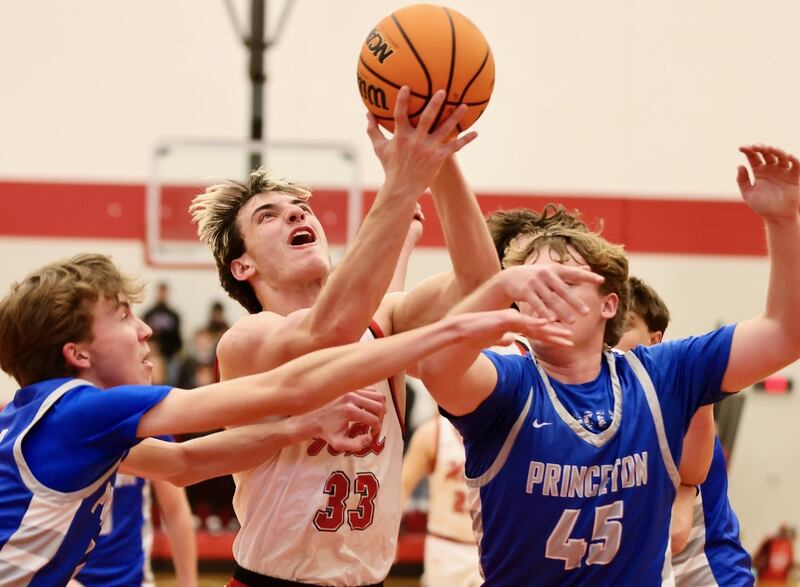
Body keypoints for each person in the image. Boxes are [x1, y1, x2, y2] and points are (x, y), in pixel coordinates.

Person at [190, 87, 595, 586]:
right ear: (243, 265)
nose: (296, 213)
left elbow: (481, 288)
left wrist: (440, 159)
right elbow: (328, 330)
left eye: (300, 206)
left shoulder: (383, 324)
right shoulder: (249, 340)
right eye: (267, 215)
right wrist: (401, 183)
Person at [0, 253, 546, 584]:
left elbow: (185, 461)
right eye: (124, 318)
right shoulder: (86, 410)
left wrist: (299, 428)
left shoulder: (40, 417)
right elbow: (287, 385)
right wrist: (447, 334)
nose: (145, 331)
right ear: (77, 354)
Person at [417, 144, 800, 585]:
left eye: (567, 279)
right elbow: (437, 368)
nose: (548, 292)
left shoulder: (660, 376)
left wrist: (783, 221)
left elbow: (785, 334)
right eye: (533, 283)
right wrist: (498, 285)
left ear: (609, 303)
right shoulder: (510, 385)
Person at [617, 276, 753, 586]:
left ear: (655, 340)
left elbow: (675, 533)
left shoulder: (678, 402)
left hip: (707, 575)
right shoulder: (612, 410)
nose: (609, 341)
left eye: (624, 327)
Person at [71, 459, 198, 587]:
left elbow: (175, 509)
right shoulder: (60, 445)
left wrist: (189, 584)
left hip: (133, 579)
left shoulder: (143, 442)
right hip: (66, 577)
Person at [401, 416, 482, 587]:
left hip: (491, 548)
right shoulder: (432, 432)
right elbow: (403, 487)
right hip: (446, 546)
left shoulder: (504, 429)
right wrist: (389, 538)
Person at [142, 282, 183, 362]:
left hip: (170, 353)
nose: (162, 295)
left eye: (164, 292)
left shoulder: (174, 315)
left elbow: (177, 335)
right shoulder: (149, 314)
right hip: (153, 353)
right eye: (160, 292)